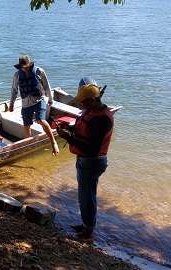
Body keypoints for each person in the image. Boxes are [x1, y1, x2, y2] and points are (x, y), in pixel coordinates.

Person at [57, 77, 115, 240]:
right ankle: (86, 224)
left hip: (92, 161)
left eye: (83, 102)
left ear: (91, 100)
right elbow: (84, 128)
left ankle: (88, 232)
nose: (81, 105)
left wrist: (68, 137)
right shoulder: (92, 111)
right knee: (85, 196)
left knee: (87, 197)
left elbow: (92, 147)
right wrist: (71, 128)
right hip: (85, 160)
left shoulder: (102, 118)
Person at [10, 54, 59, 155]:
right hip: (26, 103)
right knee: (27, 125)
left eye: (26, 66)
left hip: (39, 100)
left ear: (29, 64)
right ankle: (29, 146)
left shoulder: (39, 71)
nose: (24, 69)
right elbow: (14, 90)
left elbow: (46, 86)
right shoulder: (17, 75)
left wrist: (50, 99)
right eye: (22, 67)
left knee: (40, 120)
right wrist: (11, 104)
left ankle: (53, 142)